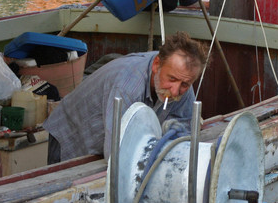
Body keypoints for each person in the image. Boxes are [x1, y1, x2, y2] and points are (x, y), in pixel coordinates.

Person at [44, 31, 208, 164]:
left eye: (185, 84)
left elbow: (185, 133)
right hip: (71, 134)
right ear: (156, 64)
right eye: (171, 79)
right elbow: (116, 156)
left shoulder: (182, 79)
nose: (175, 90)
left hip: (106, 145)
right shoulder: (128, 86)